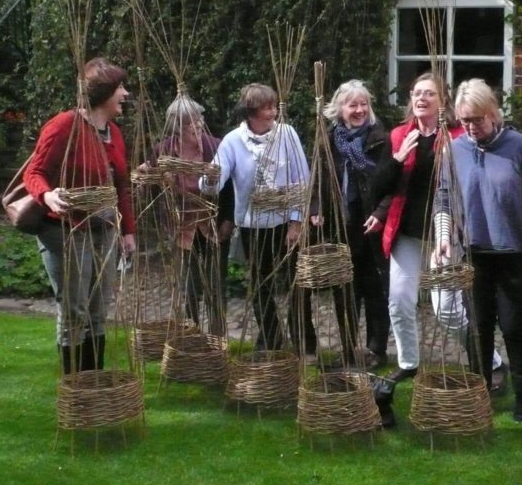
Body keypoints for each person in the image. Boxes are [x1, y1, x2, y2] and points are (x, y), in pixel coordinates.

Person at [374, 72, 506, 385]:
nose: (421, 98)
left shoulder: (460, 137)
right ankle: (408, 363)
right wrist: (397, 159)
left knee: (447, 309)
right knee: (399, 300)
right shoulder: (400, 135)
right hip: (407, 233)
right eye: (416, 93)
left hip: (444, 235)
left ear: (442, 100)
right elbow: (379, 186)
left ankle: (491, 361)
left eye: (429, 93)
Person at [444, 78, 522, 422]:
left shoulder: (517, 146)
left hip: (513, 253)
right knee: (478, 329)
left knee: (513, 326)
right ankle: (479, 396)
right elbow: (444, 197)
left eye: (477, 119)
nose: (471, 127)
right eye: (464, 121)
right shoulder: (454, 150)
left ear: (492, 113)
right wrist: (444, 237)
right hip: (474, 254)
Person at [25, 57, 137, 374]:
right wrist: (48, 195)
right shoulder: (64, 126)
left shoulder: (114, 133)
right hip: (65, 230)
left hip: (105, 230)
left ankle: (94, 383)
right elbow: (34, 172)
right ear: (104, 92)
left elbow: (121, 188)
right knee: (75, 310)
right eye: (120, 88)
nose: (125, 94)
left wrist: (128, 232)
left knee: (98, 310)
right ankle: (76, 384)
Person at [200, 83, 314, 355]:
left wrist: (297, 222)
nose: (273, 112)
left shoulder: (287, 134)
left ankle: (304, 342)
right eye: (266, 108)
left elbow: (302, 178)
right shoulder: (233, 141)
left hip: (285, 223)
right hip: (253, 226)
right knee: (260, 284)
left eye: (274, 106)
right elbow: (214, 182)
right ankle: (271, 340)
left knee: (298, 282)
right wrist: (210, 179)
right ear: (251, 112)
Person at [313, 80, 392, 369]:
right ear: (340, 109)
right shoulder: (329, 139)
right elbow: (318, 176)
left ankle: (375, 350)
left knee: (375, 289)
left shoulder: (381, 138)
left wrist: (381, 213)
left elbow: (392, 183)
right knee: (344, 289)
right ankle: (347, 348)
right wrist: (316, 208)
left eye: (364, 104)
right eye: (352, 105)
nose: (359, 110)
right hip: (341, 224)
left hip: (371, 223)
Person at [145, 94, 234, 335]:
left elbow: (229, 187)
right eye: (191, 122)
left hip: (213, 225)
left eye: (199, 119)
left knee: (216, 284)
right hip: (182, 228)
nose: (198, 124)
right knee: (190, 286)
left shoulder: (215, 147)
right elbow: (152, 187)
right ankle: (190, 336)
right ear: (178, 127)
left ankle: (217, 337)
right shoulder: (163, 151)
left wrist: (228, 219)